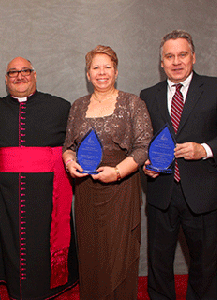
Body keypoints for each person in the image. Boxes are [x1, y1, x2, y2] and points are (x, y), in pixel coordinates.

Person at [140, 30, 217, 300]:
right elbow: (144, 141)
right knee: (158, 264)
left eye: (182, 54)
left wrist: (204, 149)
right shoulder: (148, 95)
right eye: (169, 56)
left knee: (204, 266)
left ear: (193, 57)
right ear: (161, 62)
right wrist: (146, 162)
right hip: (161, 192)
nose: (176, 61)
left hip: (205, 193)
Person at [0, 57, 79, 299]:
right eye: (13, 72)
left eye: (25, 71)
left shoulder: (60, 107)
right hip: (5, 194)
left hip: (47, 192)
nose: (19, 76)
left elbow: (76, 143)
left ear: (35, 75)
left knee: (41, 245)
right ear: (6, 79)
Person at [63, 45, 153, 299]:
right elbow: (68, 147)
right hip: (86, 192)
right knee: (92, 253)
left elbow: (144, 146)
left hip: (121, 189)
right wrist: (70, 164)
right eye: (95, 68)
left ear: (116, 71)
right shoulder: (78, 106)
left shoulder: (133, 103)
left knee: (119, 253)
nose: (101, 73)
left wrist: (117, 172)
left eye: (107, 67)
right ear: (88, 74)